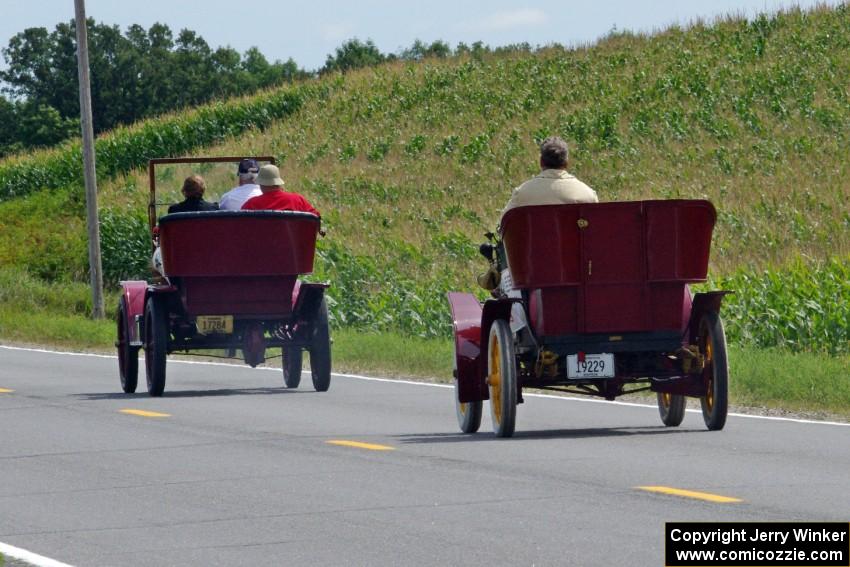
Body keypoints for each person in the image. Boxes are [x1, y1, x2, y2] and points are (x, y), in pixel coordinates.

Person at [501, 136, 598, 218]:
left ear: (541, 162)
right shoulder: (588, 194)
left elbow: (504, 224)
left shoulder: (522, 193)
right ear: (566, 163)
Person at [241, 164, 319, 215]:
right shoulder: (297, 200)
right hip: (293, 241)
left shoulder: (251, 204)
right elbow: (316, 218)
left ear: (261, 184)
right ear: (278, 182)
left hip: (262, 241)